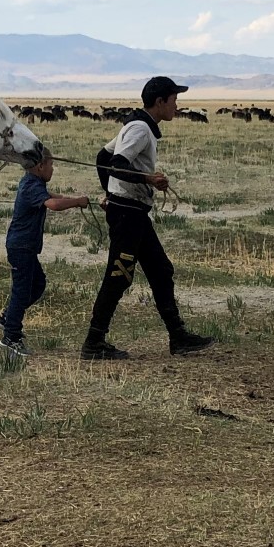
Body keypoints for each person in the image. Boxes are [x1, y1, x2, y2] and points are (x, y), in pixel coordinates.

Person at [81, 77, 215, 360]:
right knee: (119, 275)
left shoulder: (137, 126)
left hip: (132, 211)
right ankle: (93, 343)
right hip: (128, 213)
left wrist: (110, 193)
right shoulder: (140, 129)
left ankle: (178, 338)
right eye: (174, 99)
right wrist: (146, 180)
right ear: (160, 102)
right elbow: (116, 164)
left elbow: (102, 156)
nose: (177, 105)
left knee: (161, 270)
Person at [0, 153, 89, 357]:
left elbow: (54, 197)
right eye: (51, 165)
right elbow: (53, 205)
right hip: (21, 247)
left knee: (37, 285)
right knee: (21, 291)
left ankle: (8, 319)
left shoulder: (34, 183)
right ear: (40, 166)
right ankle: (11, 337)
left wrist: (79, 200)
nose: (53, 169)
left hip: (26, 247)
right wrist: (75, 202)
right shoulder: (31, 185)